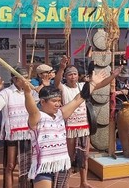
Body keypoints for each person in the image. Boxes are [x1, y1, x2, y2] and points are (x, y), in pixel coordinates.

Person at [23, 68, 108, 188]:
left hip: (62, 165)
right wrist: (27, 93)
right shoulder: (37, 117)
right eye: (54, 101)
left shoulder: (61, 114)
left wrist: (93, 83)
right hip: (43, 167)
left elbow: (79, 99)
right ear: (42, 102)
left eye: (59, 100)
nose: (58, 104)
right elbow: (31, 109)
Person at [54, 56, 121, 188]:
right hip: (69, 127)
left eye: (74, 74)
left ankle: (83, 182)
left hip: (83, 126)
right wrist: (61, 68)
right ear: (66, 77)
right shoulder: (63, 88)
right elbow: (56, 83)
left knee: (84, 155)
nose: (72, 77)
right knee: (69, 155)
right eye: (70, 75)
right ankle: (66, 183)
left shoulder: (82, 86)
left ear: (78, 76)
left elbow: (100, 84)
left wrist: (113, 76)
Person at [0, 67, 37, 188]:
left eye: (27, 78)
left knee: (27, 164)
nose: (26, 81)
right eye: (23, 79)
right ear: (15, 79)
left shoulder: (31, 91)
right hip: (12, 134)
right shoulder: (6, 92)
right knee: (10, 165)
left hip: (28, 134)